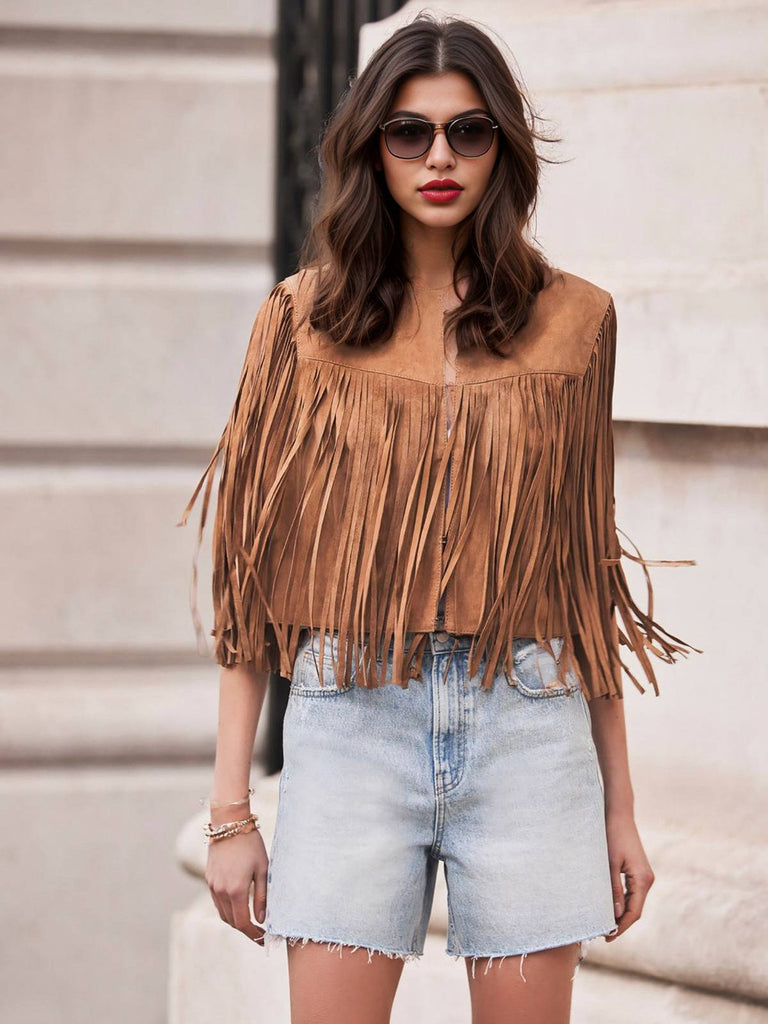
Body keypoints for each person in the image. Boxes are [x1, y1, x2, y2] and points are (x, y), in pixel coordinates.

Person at [177, 13, 699, 1024]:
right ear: (371, 146)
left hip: (528, 718)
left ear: (502, 144)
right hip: (350, 713)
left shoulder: (576, 320)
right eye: (409, 133)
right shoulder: (300, 322)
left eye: (469, 131)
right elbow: (249, 581)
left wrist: (619, 808)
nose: (441, 157)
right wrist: (231, 808)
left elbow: (584, 575)